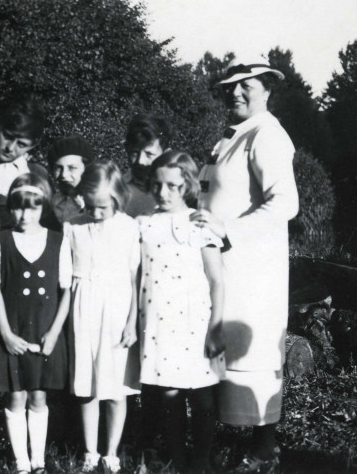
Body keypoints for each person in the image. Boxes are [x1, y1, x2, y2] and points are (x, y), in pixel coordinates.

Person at [191, 56, 299, 471]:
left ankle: (263, 448)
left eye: (246, 85)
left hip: (253, 268)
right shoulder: (233, 135)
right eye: (230, 85)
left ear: (268, 89)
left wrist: (228, 229)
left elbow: (285, 203)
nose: (235, 91)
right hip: (224, 265)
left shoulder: (267, 135)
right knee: (225, 349)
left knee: (251, 350)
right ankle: (227, 441)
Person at [137, 151, 225, 473]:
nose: (163, 193)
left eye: (172, 186)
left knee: (201, 396)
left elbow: (217, 280)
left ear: (187, 185)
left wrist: (215, 327)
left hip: (194, 322)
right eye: (158, 185)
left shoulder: (199, 223)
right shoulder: (144, 224)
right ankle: (177, 457)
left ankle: (201, 458)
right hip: (159, 322)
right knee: (169, 393)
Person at [0, 173, 71, 473]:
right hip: (15, 329)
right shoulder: (1, 241)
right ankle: (21, 461)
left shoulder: (58, 241)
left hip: (44, 329)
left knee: (38, 394)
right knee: (16, 393)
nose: (25, 214)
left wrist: (55, 331)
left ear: (43, 207)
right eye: (19, 207)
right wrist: (6, 333)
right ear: (10, 208)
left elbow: (66, 290)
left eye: (32, 207)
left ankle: (38, 460)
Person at [65, 161, 141, 473]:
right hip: (83, 309)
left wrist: (132, 322)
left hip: (117, 310)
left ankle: (111, 453)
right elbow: (66, 275)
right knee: (87, 385)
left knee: (115, 387)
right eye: (92, 206)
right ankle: (90, 451)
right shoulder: (73, 226)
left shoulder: (128, 227)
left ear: (118, 199)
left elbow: (136, 278)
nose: (97, 214)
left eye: (104, 208)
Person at [123, 113, 172, 217]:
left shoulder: (177, 194)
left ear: (166, 154)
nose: (140, 161)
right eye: (134, 153)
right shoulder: (116, 189)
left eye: (149, 154)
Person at [48, 136, 96, 224]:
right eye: (58, 168)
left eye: (72, 168)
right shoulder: (53, 203)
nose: (64, 175)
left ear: (87, 168)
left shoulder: (99, 204)